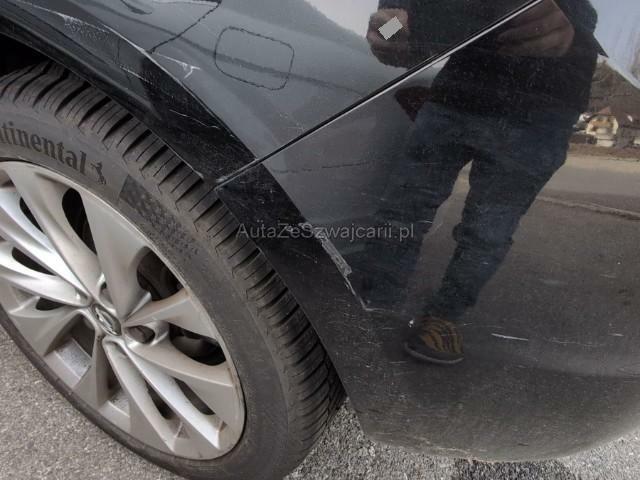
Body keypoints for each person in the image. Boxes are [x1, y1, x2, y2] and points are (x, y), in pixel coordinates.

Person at [362, 0, 599, 364]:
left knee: (485, 232)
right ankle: (377, 305)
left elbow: (584, 22)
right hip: (461, 94)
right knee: (405, 211)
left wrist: (571, 30)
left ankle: (443, 316)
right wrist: (392, 26)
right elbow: (404, 24)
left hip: (538, 110)